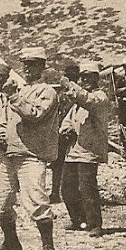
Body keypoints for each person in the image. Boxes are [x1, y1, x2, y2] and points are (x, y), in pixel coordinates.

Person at [0, 46, 61, 250]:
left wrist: (14, 97)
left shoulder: (46, 92)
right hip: (10, 155)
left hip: (32, 155)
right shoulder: (17, 91)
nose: (28, 68)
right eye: (25, 64)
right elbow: (3, 121)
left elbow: (34, 115)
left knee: (37, 202)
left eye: (33, 64)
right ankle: (11, 242)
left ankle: (48, 247)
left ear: (42, 67)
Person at [58, 62, 111, 237]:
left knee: (87, 188)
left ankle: (95, 223)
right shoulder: (77, 103)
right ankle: (79, 219)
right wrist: (66, 129)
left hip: (89, 151)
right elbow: (68, 120)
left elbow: (87, 100)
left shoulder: (100, 97)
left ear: (97, 78)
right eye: (84, 77)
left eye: (90, 77)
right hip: (74, 151)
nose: (86, 80)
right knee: (67, 188)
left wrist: (70, 86)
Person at [50, 63, 81, 204]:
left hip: (70, 132)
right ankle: (57, 192)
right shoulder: (65, 94)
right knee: (60, 163)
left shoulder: (74, 94)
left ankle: (61, 192)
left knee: (64, 164)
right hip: (63, 132)